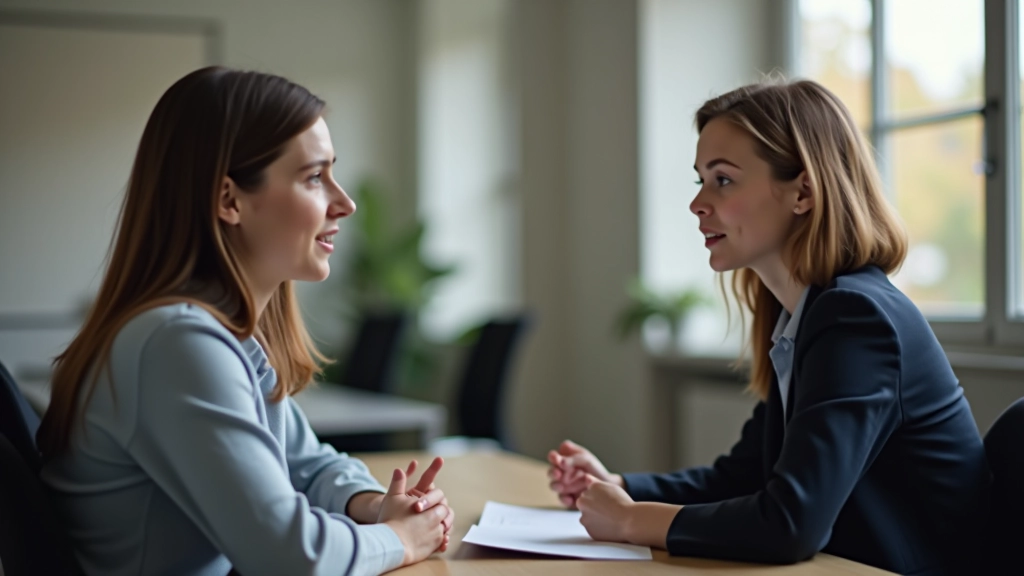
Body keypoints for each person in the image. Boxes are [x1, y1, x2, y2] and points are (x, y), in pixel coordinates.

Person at [547, 79, 990, 576]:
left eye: (724, 180)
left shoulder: (856, 319)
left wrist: (632, 521)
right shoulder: (805, 316)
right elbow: (745, 475)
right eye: (701, 181)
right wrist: (621, 487)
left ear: (802, 191)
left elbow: (790, 523)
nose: (698, 204)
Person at [37, 66, 454, 576]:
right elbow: (289, 556)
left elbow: (308, 463)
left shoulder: (216, 334)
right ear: (229, 200)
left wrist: (372, 505)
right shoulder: (176, 344)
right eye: (314, 177)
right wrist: (398, 540)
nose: (343, 203)